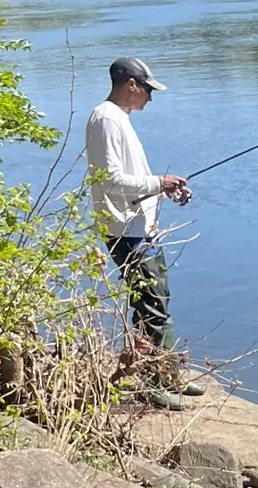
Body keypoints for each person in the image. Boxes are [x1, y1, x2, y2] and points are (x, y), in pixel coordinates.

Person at [84, 56, 203, 411]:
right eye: (148, 89)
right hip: (126, 230)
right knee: (150, 306)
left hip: (140, 227)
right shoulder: (106, 119)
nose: (150, 97)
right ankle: (153, 384)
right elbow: (109, 180)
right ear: (131, 84)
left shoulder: (119, 118)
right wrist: (158, 181)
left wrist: (163, 189)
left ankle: (167, 374)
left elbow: (128, 180)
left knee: (158, 300)